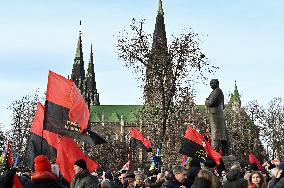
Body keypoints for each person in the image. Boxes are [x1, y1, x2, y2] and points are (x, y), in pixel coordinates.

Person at [205, 79, 228, 155]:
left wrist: (206, 101)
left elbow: (210, 102)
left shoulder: (217, 91)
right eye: (210, 83)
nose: (211, 85)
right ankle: (224, 153)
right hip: (218, 114)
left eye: (212, 83)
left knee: (215, 134)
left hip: (215, 115)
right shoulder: (219, 91)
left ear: (217, 83)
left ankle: (214, 153)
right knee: (221, 134)